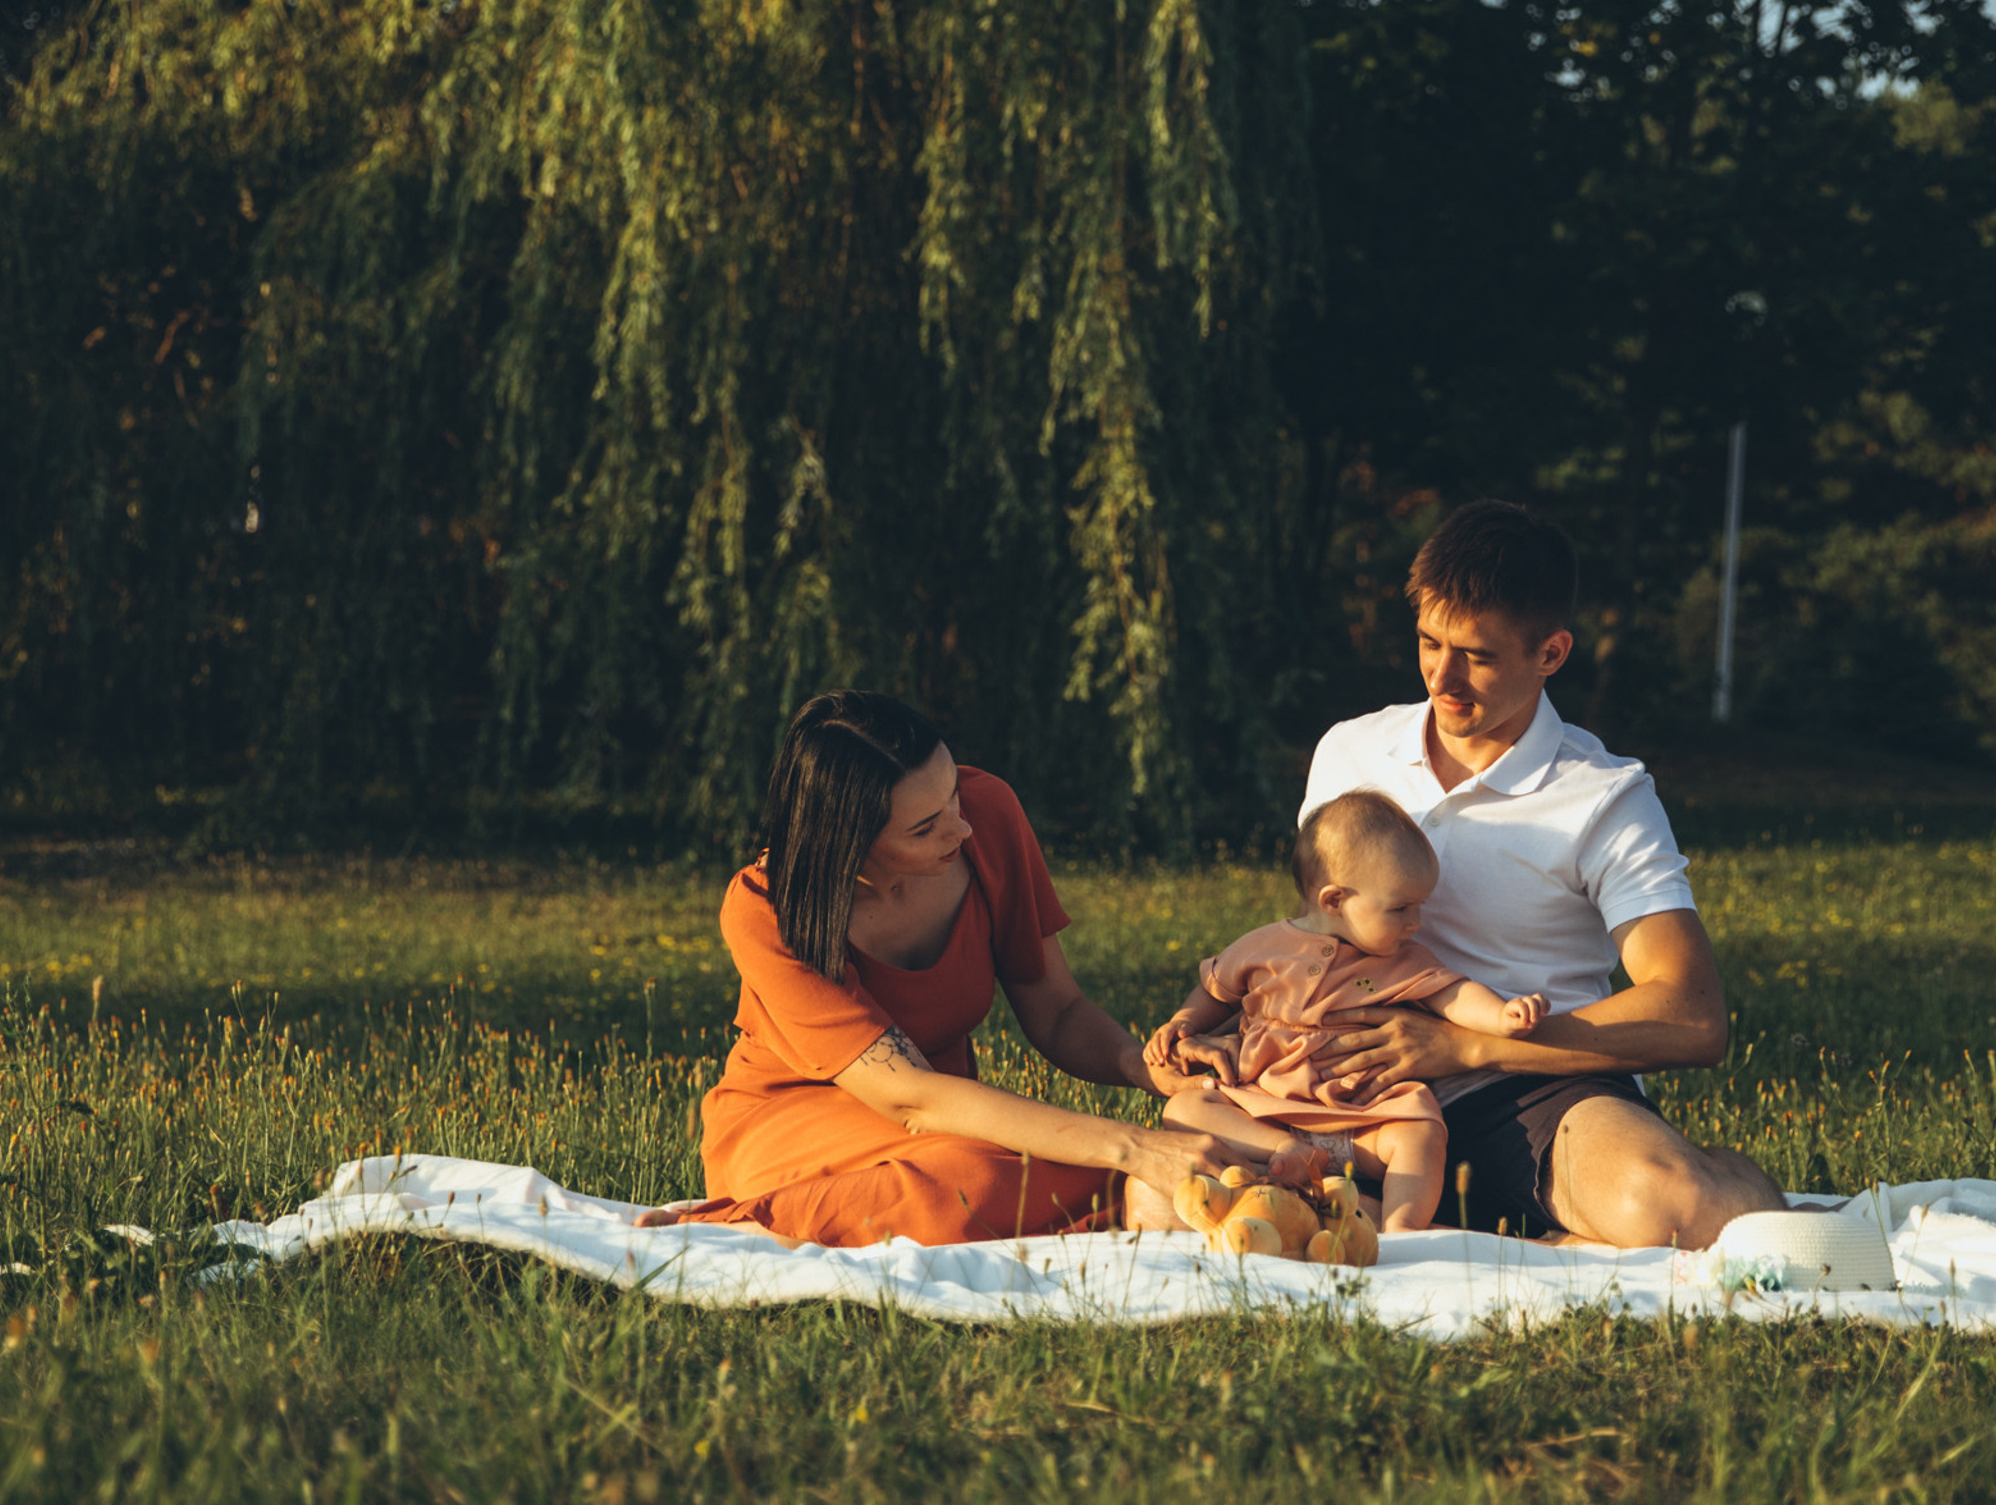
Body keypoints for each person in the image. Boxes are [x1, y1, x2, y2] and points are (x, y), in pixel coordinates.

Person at [1297, 500, 1787, 1249]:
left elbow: (1692, 1013)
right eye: (1429, 642)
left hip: (1534, 1091)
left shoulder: (1605, 795)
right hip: (1355, 1089)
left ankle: (1697, 1180)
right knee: (1179, 1184)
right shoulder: (1349, 752)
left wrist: (1466, 1046)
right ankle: (1518, 1233)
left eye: (1478, 656)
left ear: (1551, 654)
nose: (1443, 676)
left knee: (1674, 1205)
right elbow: (1312, 932)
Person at [635, 691, 1260, 1246]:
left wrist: (1144, 1068)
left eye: (952, 794)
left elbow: (1058, 1010)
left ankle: (1138, 1195)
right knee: (975, 1180)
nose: (961, 827)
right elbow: (910, 1097)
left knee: (983, 1171)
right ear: (849, 845)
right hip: (798, 1123)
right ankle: (751, 1220)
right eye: (925, 826)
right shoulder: (767, 907)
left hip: (951, 1124)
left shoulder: (988, 813)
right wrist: (1134, 1147)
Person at [1142, 789, 1551, 1232]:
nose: (1415, 922)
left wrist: (1501, 1015)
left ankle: (1401, 1228)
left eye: (1419, 907)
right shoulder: (1263, 946)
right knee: (1185, 1108)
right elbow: (1215, 990)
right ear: (1334, 901)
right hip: (1265, 1106)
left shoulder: (1403, 961)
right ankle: (1286, 1153)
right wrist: (1182, 1023)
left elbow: (1454, 995)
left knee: (1422, 1132)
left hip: (1363, 1118)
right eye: (1400, 908)